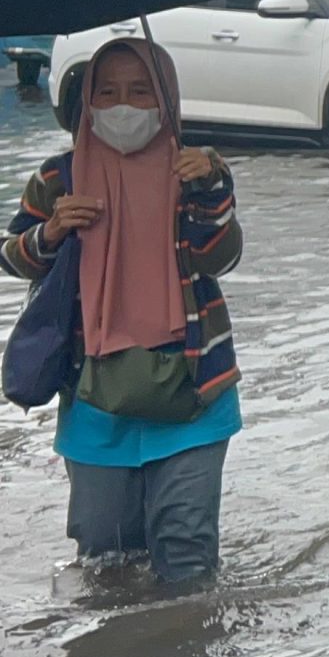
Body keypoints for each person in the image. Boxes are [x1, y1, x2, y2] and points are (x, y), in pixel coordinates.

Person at [2, 39, 243, 584]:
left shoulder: (195, 171)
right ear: (86, 103)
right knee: (105, 561)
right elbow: (12, 256)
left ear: (167, 101)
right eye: (107, 93)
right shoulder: (59, 178)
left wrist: (211, 189)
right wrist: (51, 232)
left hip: (193, 388)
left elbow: (221, 258)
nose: (124, 107)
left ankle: (188, 642)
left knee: (188, 560)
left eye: (140, 91)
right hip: (95, 393)